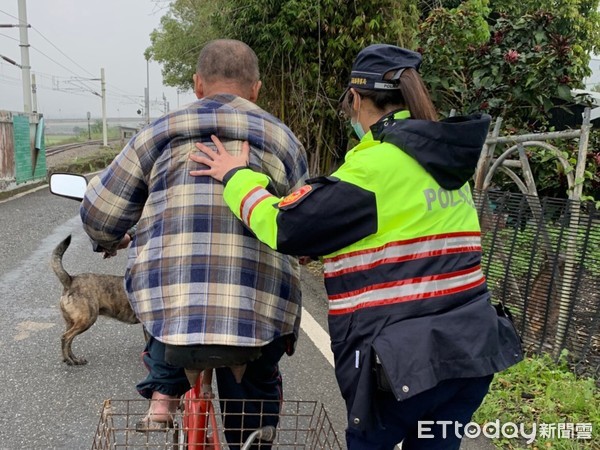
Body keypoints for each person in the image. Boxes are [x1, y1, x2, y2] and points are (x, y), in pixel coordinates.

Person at [189, 44, 524, 450]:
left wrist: (236, 176)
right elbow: (405, 236)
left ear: (356, 98)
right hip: (471, 349)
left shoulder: (376, 167)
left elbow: (284, 227)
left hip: (406, 364)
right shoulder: (446, 162)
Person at [79, 39, 308, 447]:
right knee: (253, 405)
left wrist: (112, 238)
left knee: (163, 318)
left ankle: (162, 400)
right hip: (256, 315)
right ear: (256, 89)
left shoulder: (158, 133)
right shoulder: (281, 139)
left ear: (197, 84)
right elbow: (306, 228)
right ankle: (254, 437)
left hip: (173, 314)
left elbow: (99, 216)